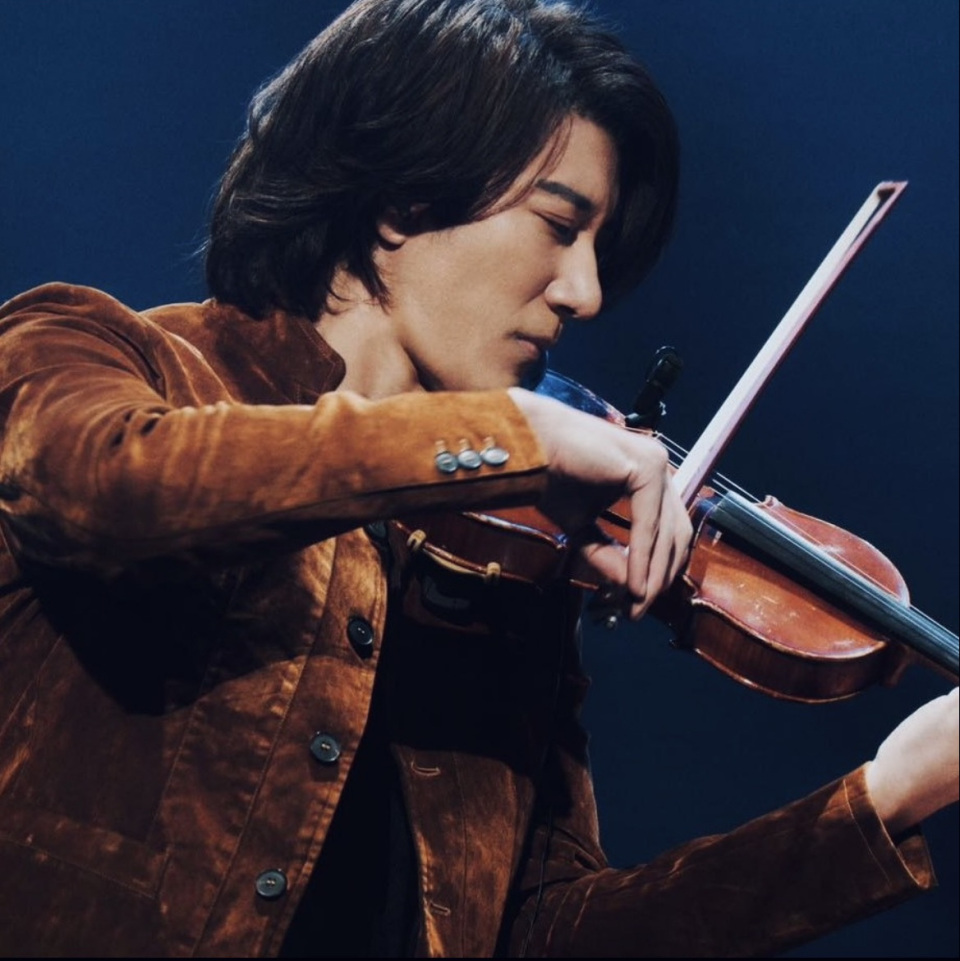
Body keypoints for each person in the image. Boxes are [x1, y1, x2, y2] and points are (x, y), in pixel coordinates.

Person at [0, 0, 956, 956]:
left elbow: (540, 933)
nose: (586, 291)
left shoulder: (509, 566)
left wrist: (882, 799)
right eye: (558, 224)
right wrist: (509, 433)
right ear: (402, 199)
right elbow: (101, 490)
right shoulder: (92, 350)